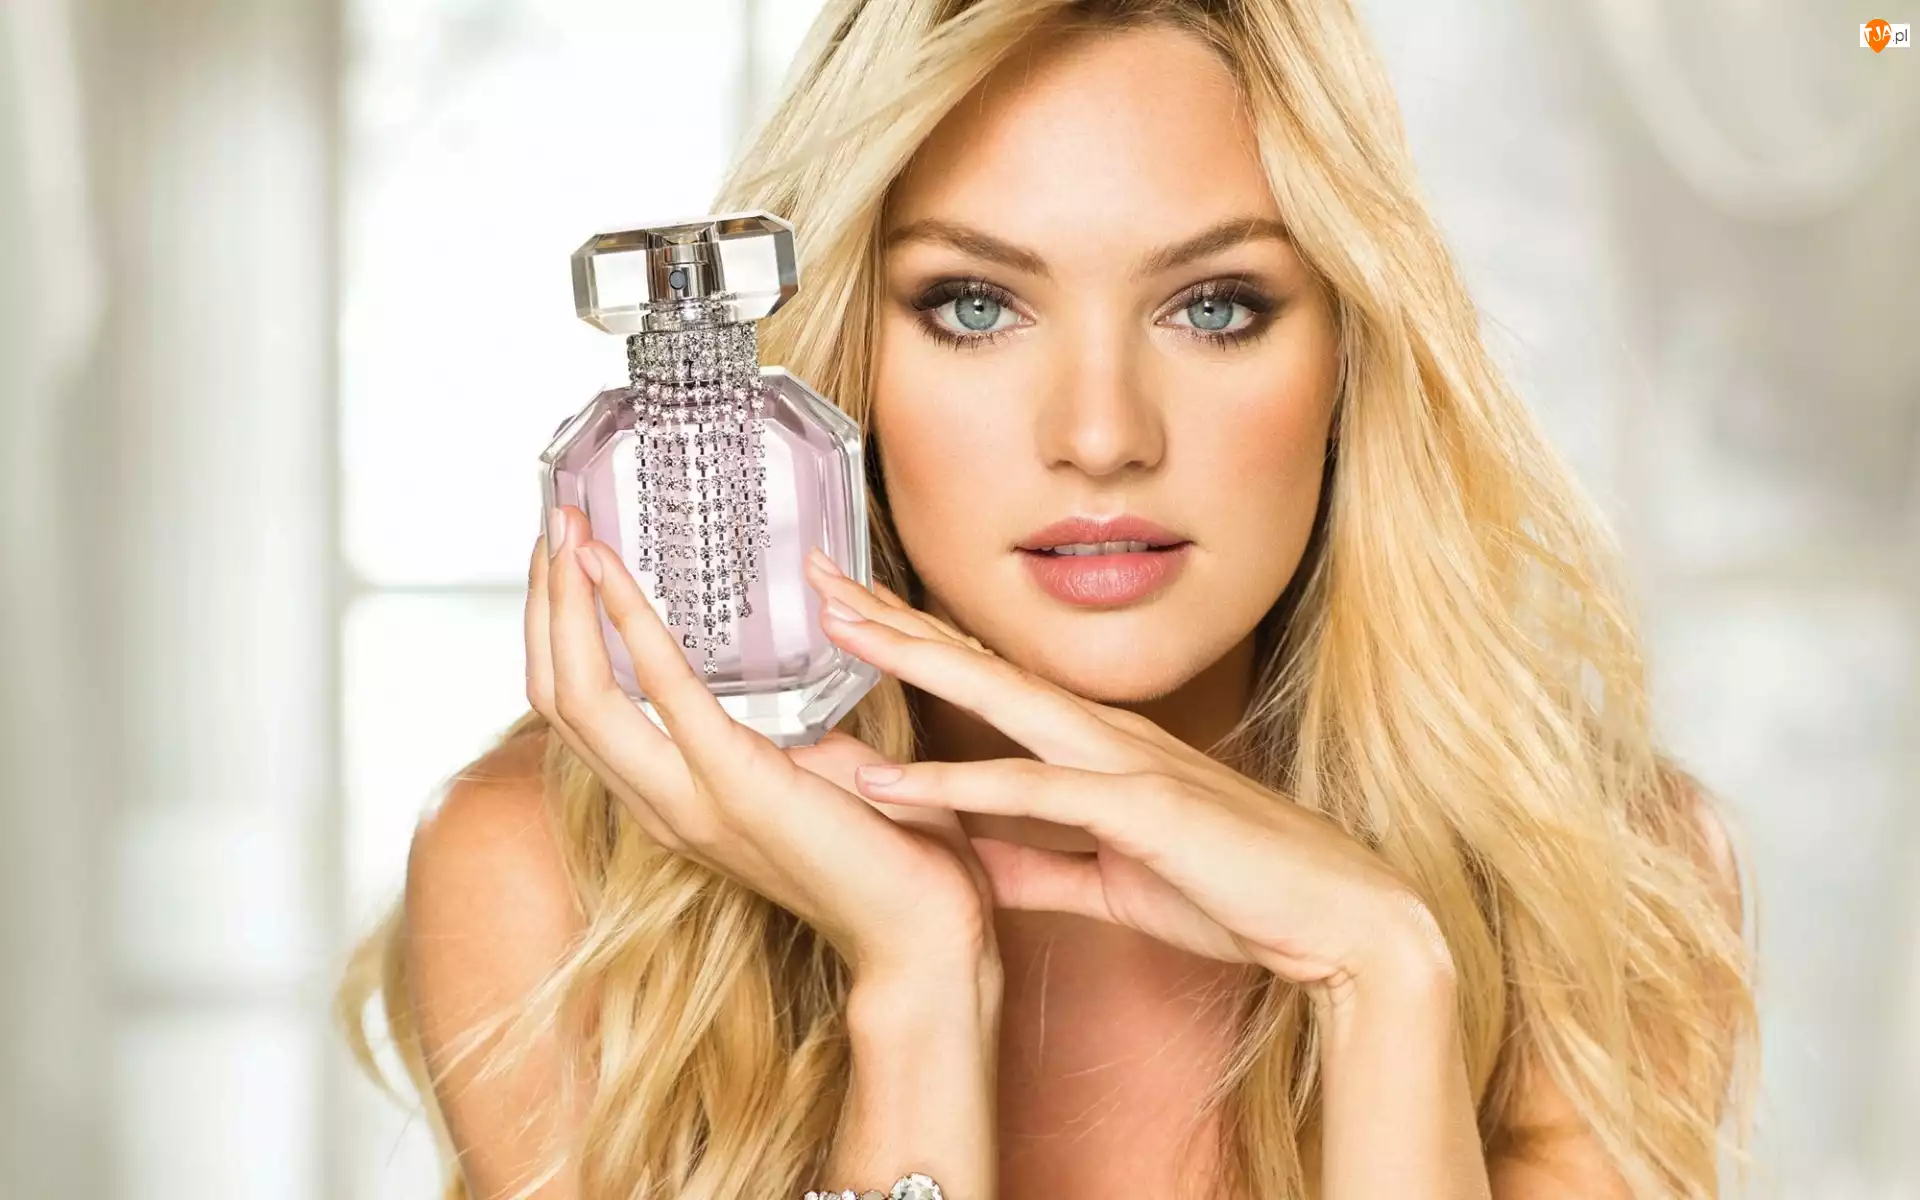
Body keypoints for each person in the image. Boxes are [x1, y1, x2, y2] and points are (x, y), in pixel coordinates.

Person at [337, 2, 1757, 1197]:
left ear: (1349, 351)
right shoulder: (563, 889)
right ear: (841, 350)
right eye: (974, 304)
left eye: (1215, 306)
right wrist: (918, 985)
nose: (1101, 434)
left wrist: (1384, 982)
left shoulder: (1595, 890)